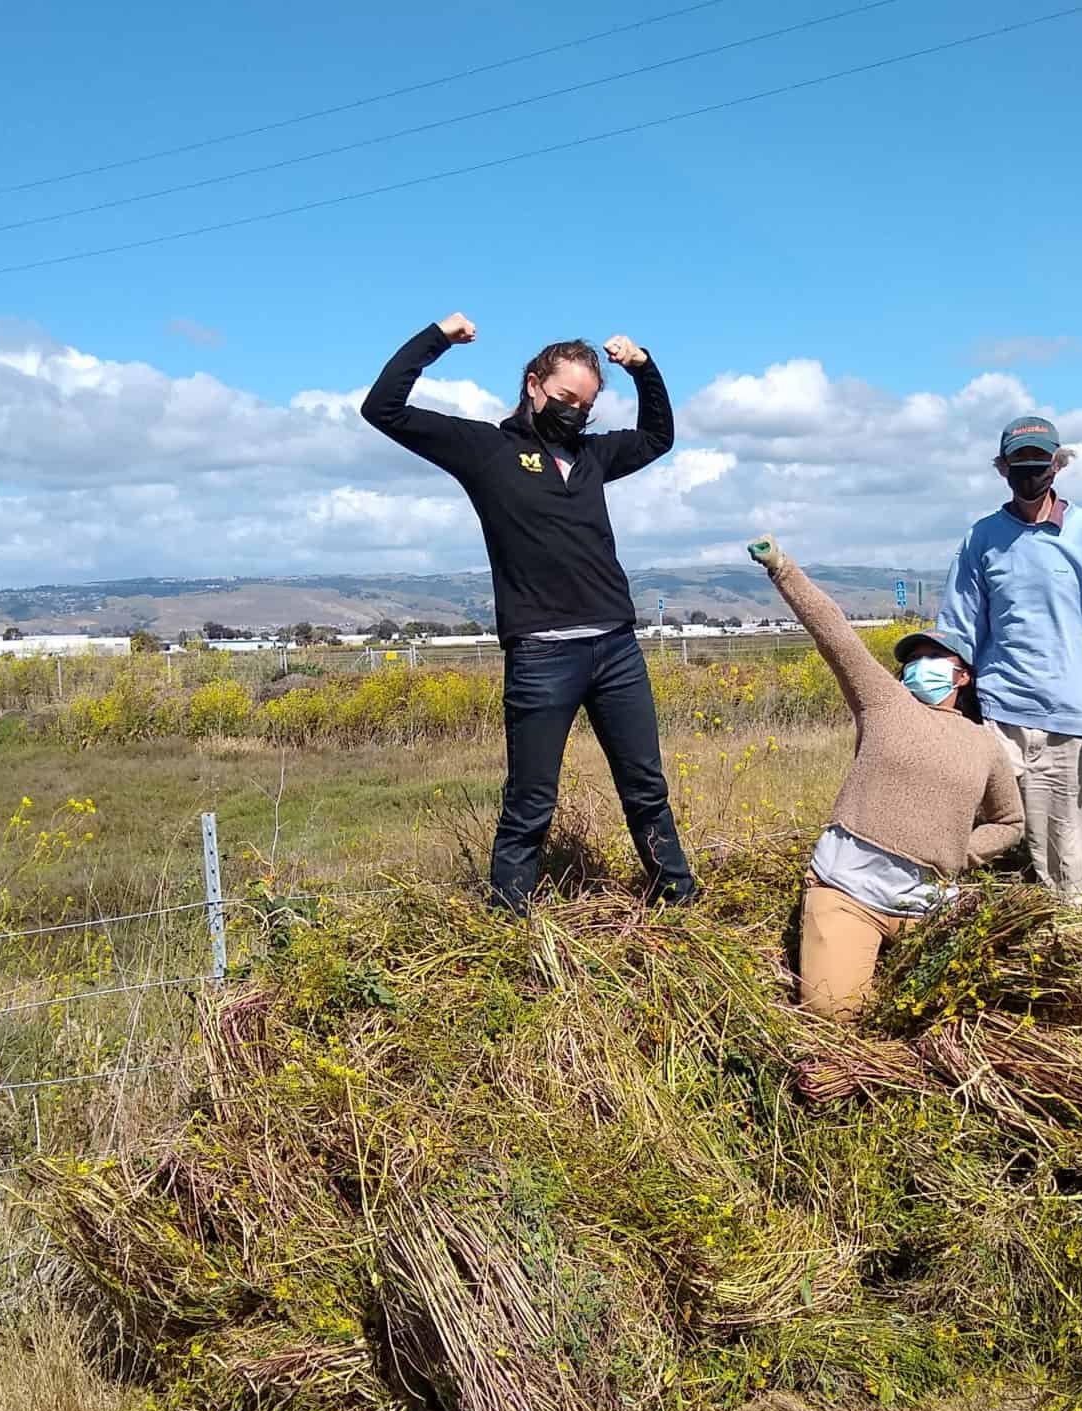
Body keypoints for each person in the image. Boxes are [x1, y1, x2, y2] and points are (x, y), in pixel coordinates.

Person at [360, 312, 695, 912]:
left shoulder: (593, 456)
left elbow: (657, 437)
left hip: (617, 650)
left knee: (646, 788)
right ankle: (510, 924)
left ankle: (679, 901)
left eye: (586, 406)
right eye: (566, 398)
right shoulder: (485, 450)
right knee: (530, 801)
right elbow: (382, 409)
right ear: (534, 384)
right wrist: (437, 338)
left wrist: (644, 368)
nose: (575, 412)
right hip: (542, 656)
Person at [747, 535, 1023, 1021]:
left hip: (930, 903)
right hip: (848, 890)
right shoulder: (884, 702)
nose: (918, 667)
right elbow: (834, 634)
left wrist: (961, 851)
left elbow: (1010, 822)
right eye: (912, 660)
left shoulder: (984, 744)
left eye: (932, 658)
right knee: (834, 1012)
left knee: (966, 1007)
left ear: (963, 676)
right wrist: (782, 567)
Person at [938, 415, 1082, 902]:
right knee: (968, 833)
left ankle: (1074, 932)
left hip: (1068, 724)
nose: (1030, 473)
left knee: (1069, 860)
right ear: (1002, 468)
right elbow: (959, 627)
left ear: (1058, 464)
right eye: (1019, 463)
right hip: (997, 720)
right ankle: (964, 919)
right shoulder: (982, 538)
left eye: (1039, 462)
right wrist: (943, 701)